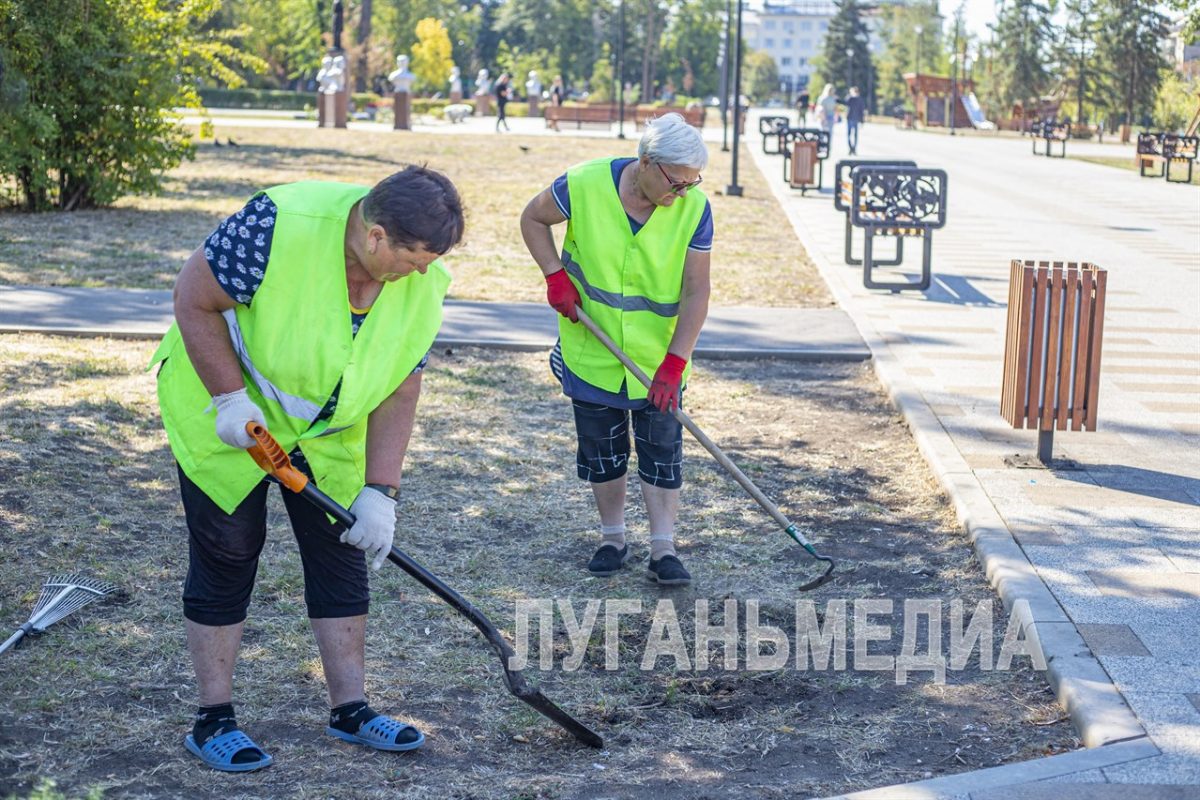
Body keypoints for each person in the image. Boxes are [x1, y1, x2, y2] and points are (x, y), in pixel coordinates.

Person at [150, 166, 465, 772]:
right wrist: (227, 400)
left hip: (324, 433)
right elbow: (193, 297)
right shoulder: (277, 223)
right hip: (227, 412)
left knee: (340, 552)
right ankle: (212, 719)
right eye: (413, 258)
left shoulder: (425, 281)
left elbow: (401, 386)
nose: (422, 271)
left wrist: (382, 492)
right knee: (229, 553)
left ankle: (351, 710)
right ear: (375, 236)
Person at [519, 113, 713, 587]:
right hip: (593, 347)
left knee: (661, 449)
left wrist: (675, 361)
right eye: (676, 183)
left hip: (657, 360)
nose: (681, 194)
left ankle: (663, 548)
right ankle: (613, 538)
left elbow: (696, 292)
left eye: (691, 184)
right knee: (602, 449)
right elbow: (532, 218)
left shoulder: (694, 208)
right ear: (646, 162)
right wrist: (554, 274)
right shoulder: (583, 183)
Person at [844, 86, 865, 154]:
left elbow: (861, 110)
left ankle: (854, 148)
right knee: (849, 134)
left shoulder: (859, 99)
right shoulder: (850, 98)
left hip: (855, 119)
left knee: (855, 135)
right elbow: (845, 102)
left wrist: (862, 120)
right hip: (849, 118)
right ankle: (851, 148)